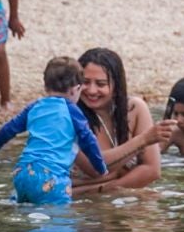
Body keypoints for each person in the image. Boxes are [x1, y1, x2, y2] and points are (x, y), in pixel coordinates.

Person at [0, 57, 109, 207]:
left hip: (22, 172)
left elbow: (9, 128)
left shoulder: (34, 107)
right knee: (60, 222)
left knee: (26, 214)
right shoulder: (72, 111)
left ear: (45, 86)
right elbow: (88, 140)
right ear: (75, 89)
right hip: (51, 177)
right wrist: (100, 167)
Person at [71, 47, 173, 195]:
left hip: (103, 195)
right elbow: (95, 167)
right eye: (86, 82)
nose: (92, 90)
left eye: (100, 84)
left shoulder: (135, 109)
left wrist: (103, 188)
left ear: (117, 86)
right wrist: (143, 140)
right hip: (78, 207)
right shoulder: (70, 116)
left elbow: (152, 170)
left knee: (150, 198)